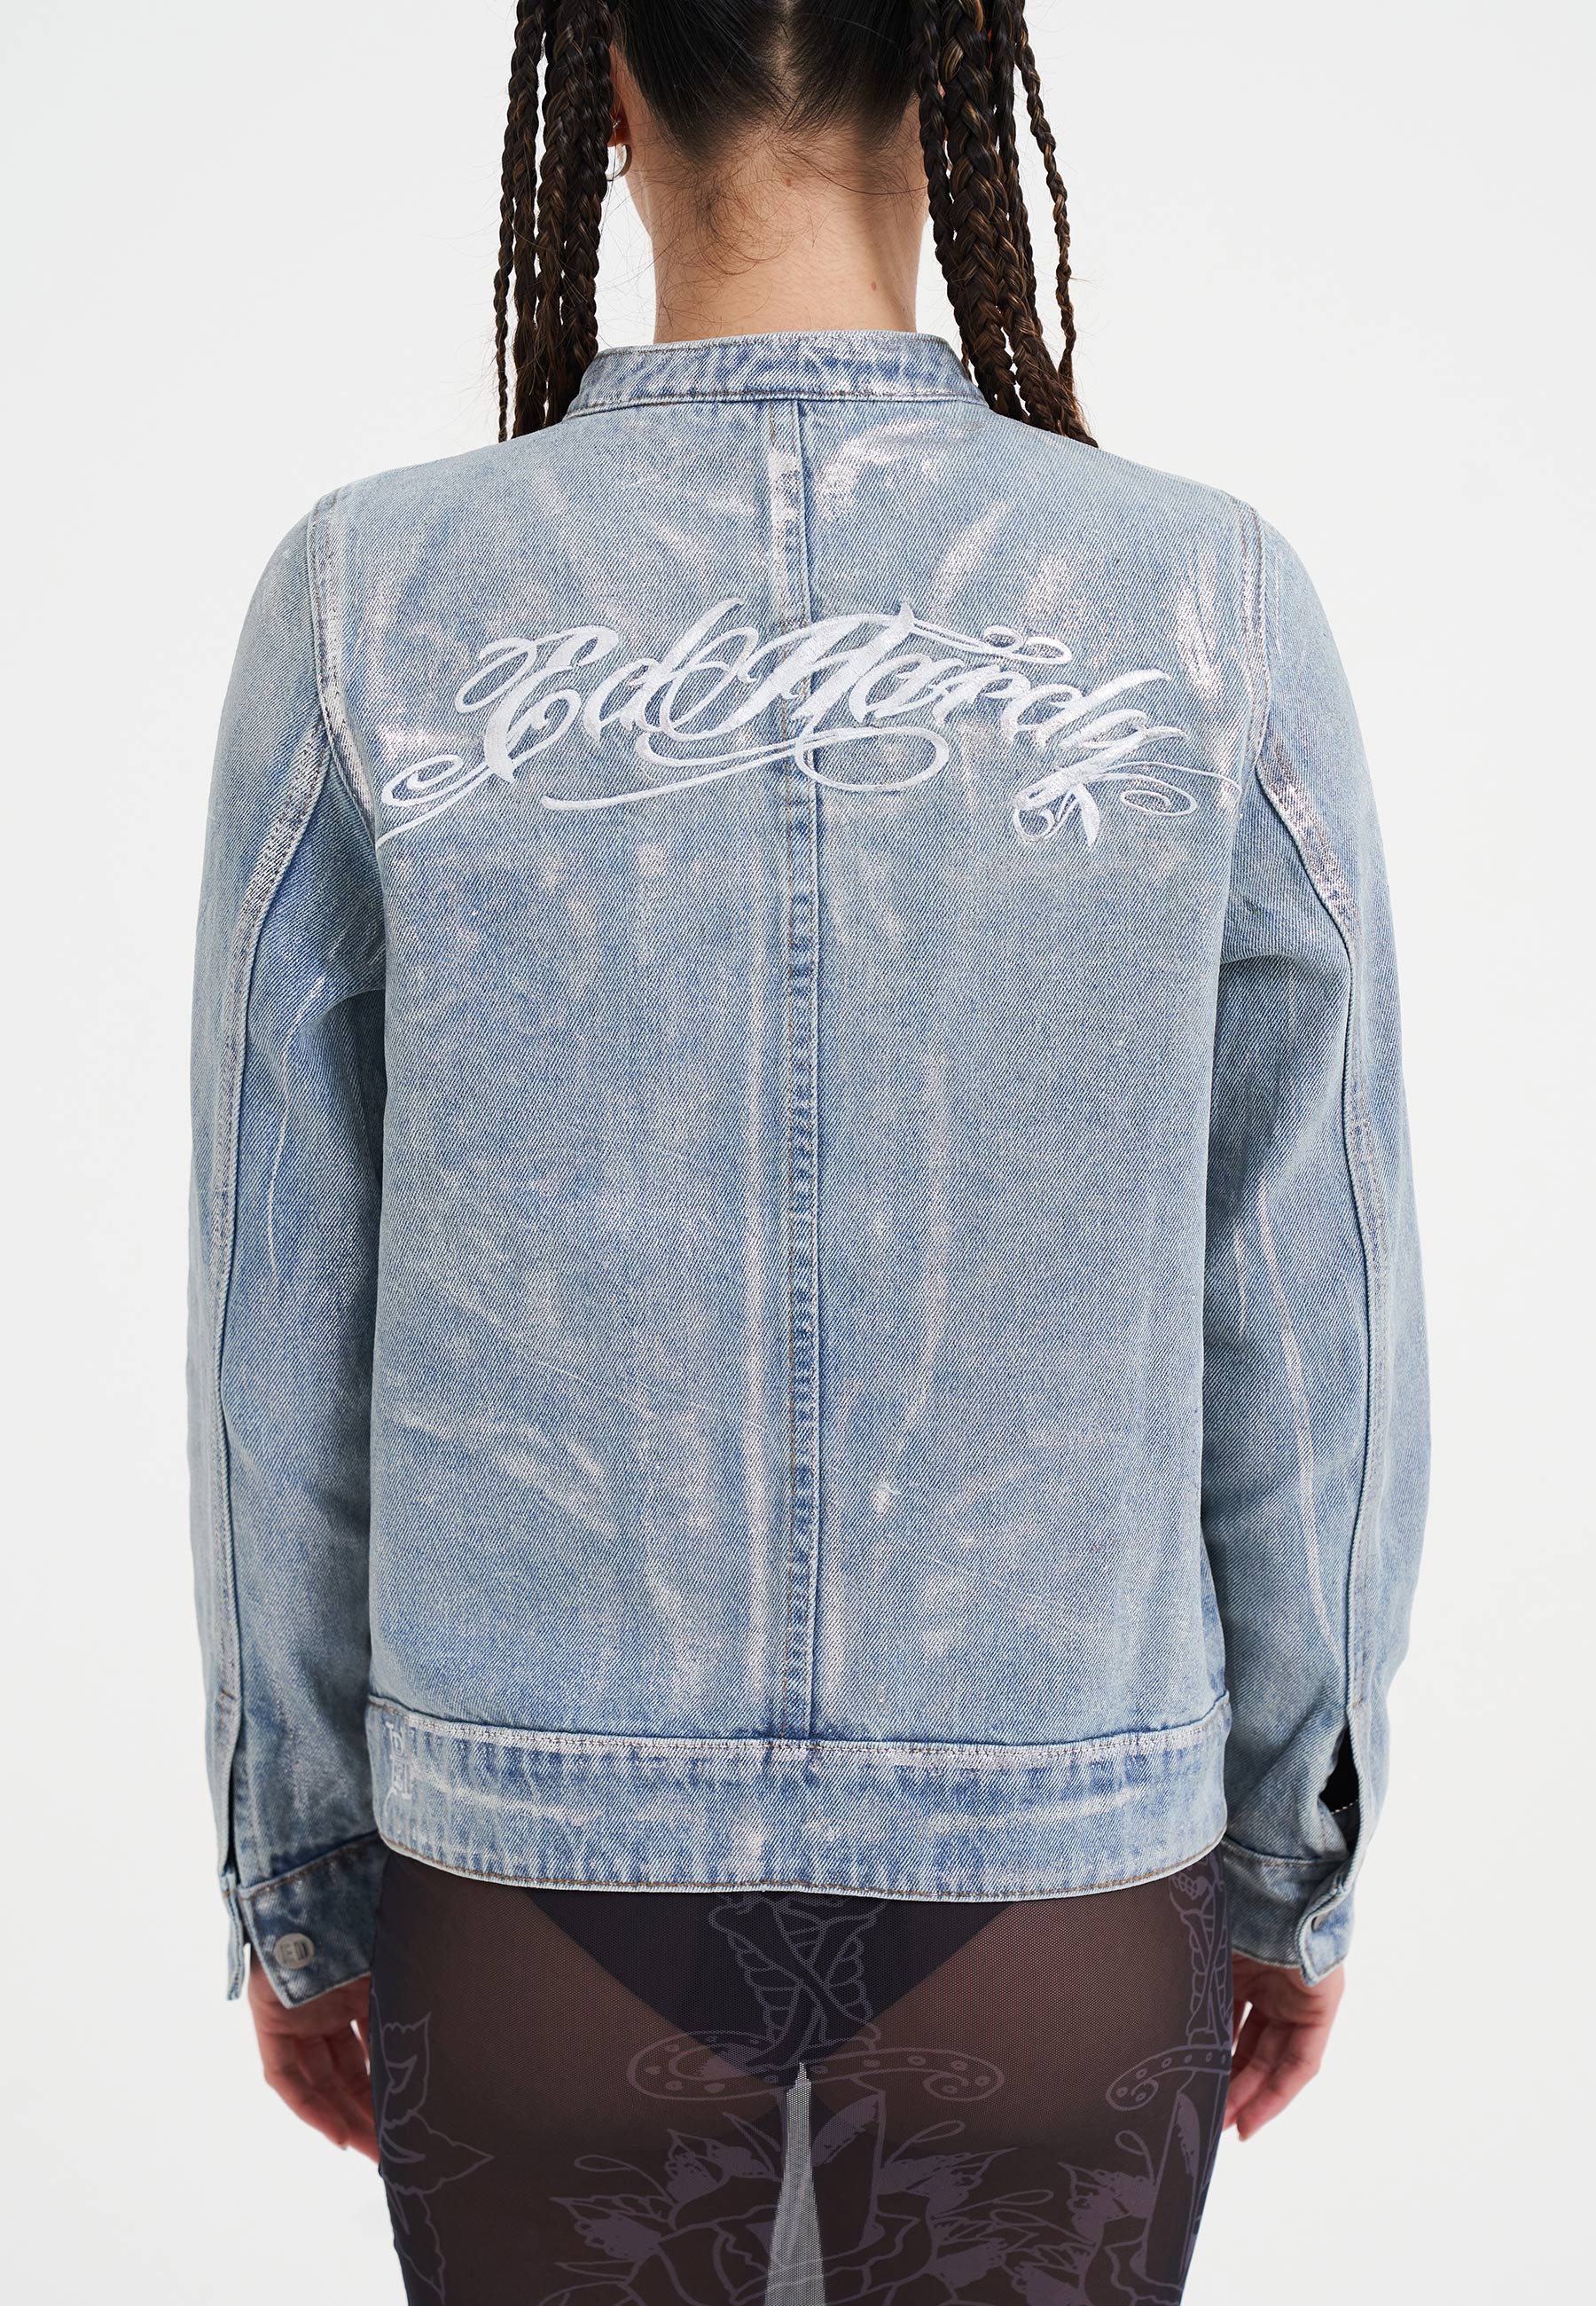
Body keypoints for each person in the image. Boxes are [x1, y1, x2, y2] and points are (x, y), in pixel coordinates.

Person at [186, 4, 1428, 2299]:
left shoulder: (374, 600)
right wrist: (1294, 1850)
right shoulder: (1207, 603)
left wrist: (302, 1872)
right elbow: (1308, 1307)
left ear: (606, 94)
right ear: (948, 79)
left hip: (528, 1895)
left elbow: (283, 1314)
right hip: (1065, 1882)